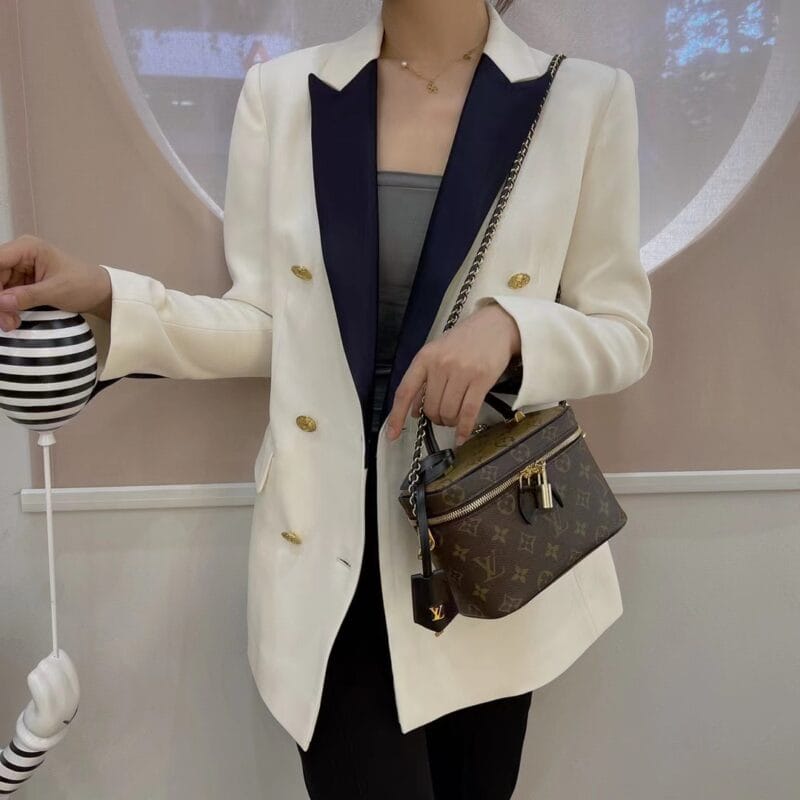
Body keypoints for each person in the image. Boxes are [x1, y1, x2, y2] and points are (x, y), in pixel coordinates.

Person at [0, 0, 654, 796]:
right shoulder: (284, 94)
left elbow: (623, 332)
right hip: (326, 549)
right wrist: (106, 294)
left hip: (480, 546)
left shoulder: (582, 97)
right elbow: (267, 326)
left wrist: (511, 329)